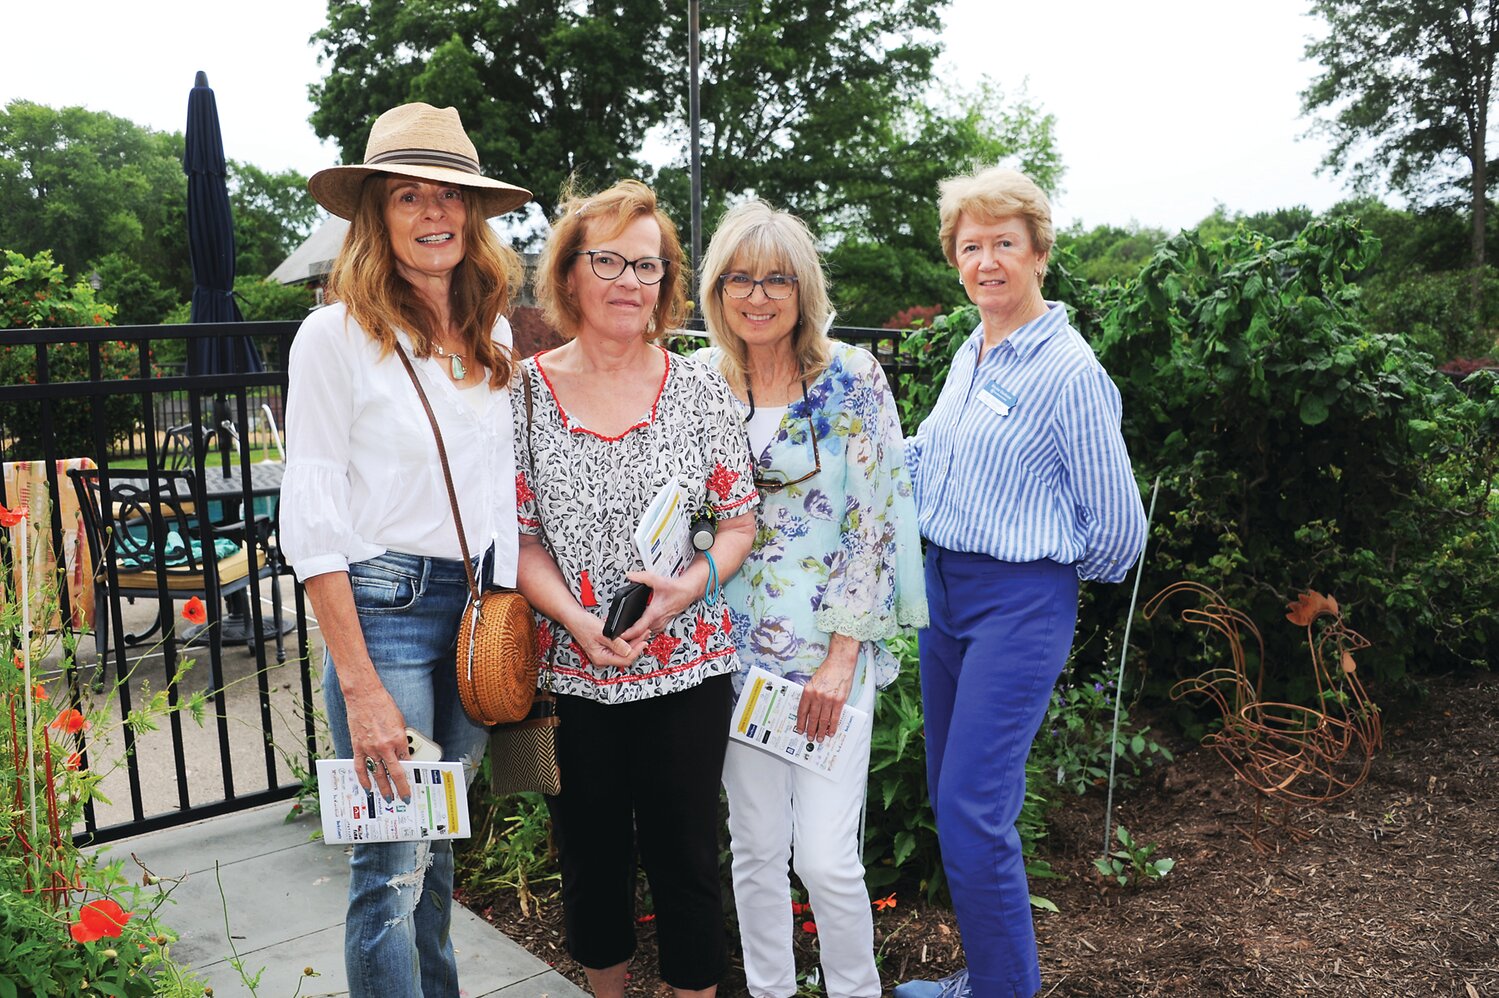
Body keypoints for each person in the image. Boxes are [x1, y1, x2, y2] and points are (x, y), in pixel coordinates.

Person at [280, 102, 531, 998]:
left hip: (475, 611)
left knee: (439, 856)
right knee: (388, 867)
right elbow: (309, 520)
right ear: (374, 219)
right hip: (380, 608)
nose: (435, 214)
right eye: (408, 196)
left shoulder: (492, 334)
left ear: (473, 212)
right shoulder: (334, 336)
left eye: (450, 195)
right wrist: (359, 684)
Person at [894, 167, 1147, 998]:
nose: (987, 260)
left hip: (1016, 603)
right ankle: (991, 978)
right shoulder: (974, 348)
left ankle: (1006, 992)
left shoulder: (1069, 372)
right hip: (944, 595)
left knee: (972, 811)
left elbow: (1119, 526)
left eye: (1004, 242)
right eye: (971, 246)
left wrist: (1041, 579)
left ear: (1039, 252)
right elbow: (930, 458)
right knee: (951, 798)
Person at [515, 179, 758, 998]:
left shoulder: (696, 387)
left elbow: (738, 524)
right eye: (609, 260)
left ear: (665, 281)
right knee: (589, 857)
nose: (629, 281)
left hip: (686, 666)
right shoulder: (521, 394)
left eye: (647, 266)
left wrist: (687, 590)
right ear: (570, 274)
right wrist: (578, 619)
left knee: (687, 856)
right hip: (571, 669)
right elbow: (514, 540)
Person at [692, 201, 926, 998]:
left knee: (825, 857)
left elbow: (874, 525)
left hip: (827, 654)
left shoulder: (852, 379)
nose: (757, 296)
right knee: (754, 848)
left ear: (805, 288)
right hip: (726, 656)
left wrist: (841, 656)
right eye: (739, 278)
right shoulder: (695, 382)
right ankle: (770, 992)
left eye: (777, 279)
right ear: (716, 287)